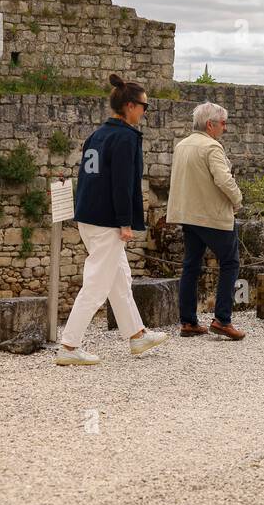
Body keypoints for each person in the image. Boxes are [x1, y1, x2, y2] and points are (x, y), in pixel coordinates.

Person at [57, 74, 170, 366]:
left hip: (89, 216)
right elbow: (123, 183)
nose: (146, 111)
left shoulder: (96, 135)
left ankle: (137, 334)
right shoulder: (126, 137)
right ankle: (69, 346)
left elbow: (86, 178)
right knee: (96, 284)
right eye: (145, 105)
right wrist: (124, 222)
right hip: (107, 220)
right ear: (130, 106)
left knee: (120, 278)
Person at [166, 101, 245, 340]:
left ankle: (188, 321)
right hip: (211, 215)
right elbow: (224, 180)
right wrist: (237, 200)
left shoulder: (182, 146)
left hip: (187, 214)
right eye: (223, 123)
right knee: (230, 262)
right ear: (210, 125)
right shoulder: (212, 147)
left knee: (191, 265)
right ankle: (222, 319)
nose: (225, 128)